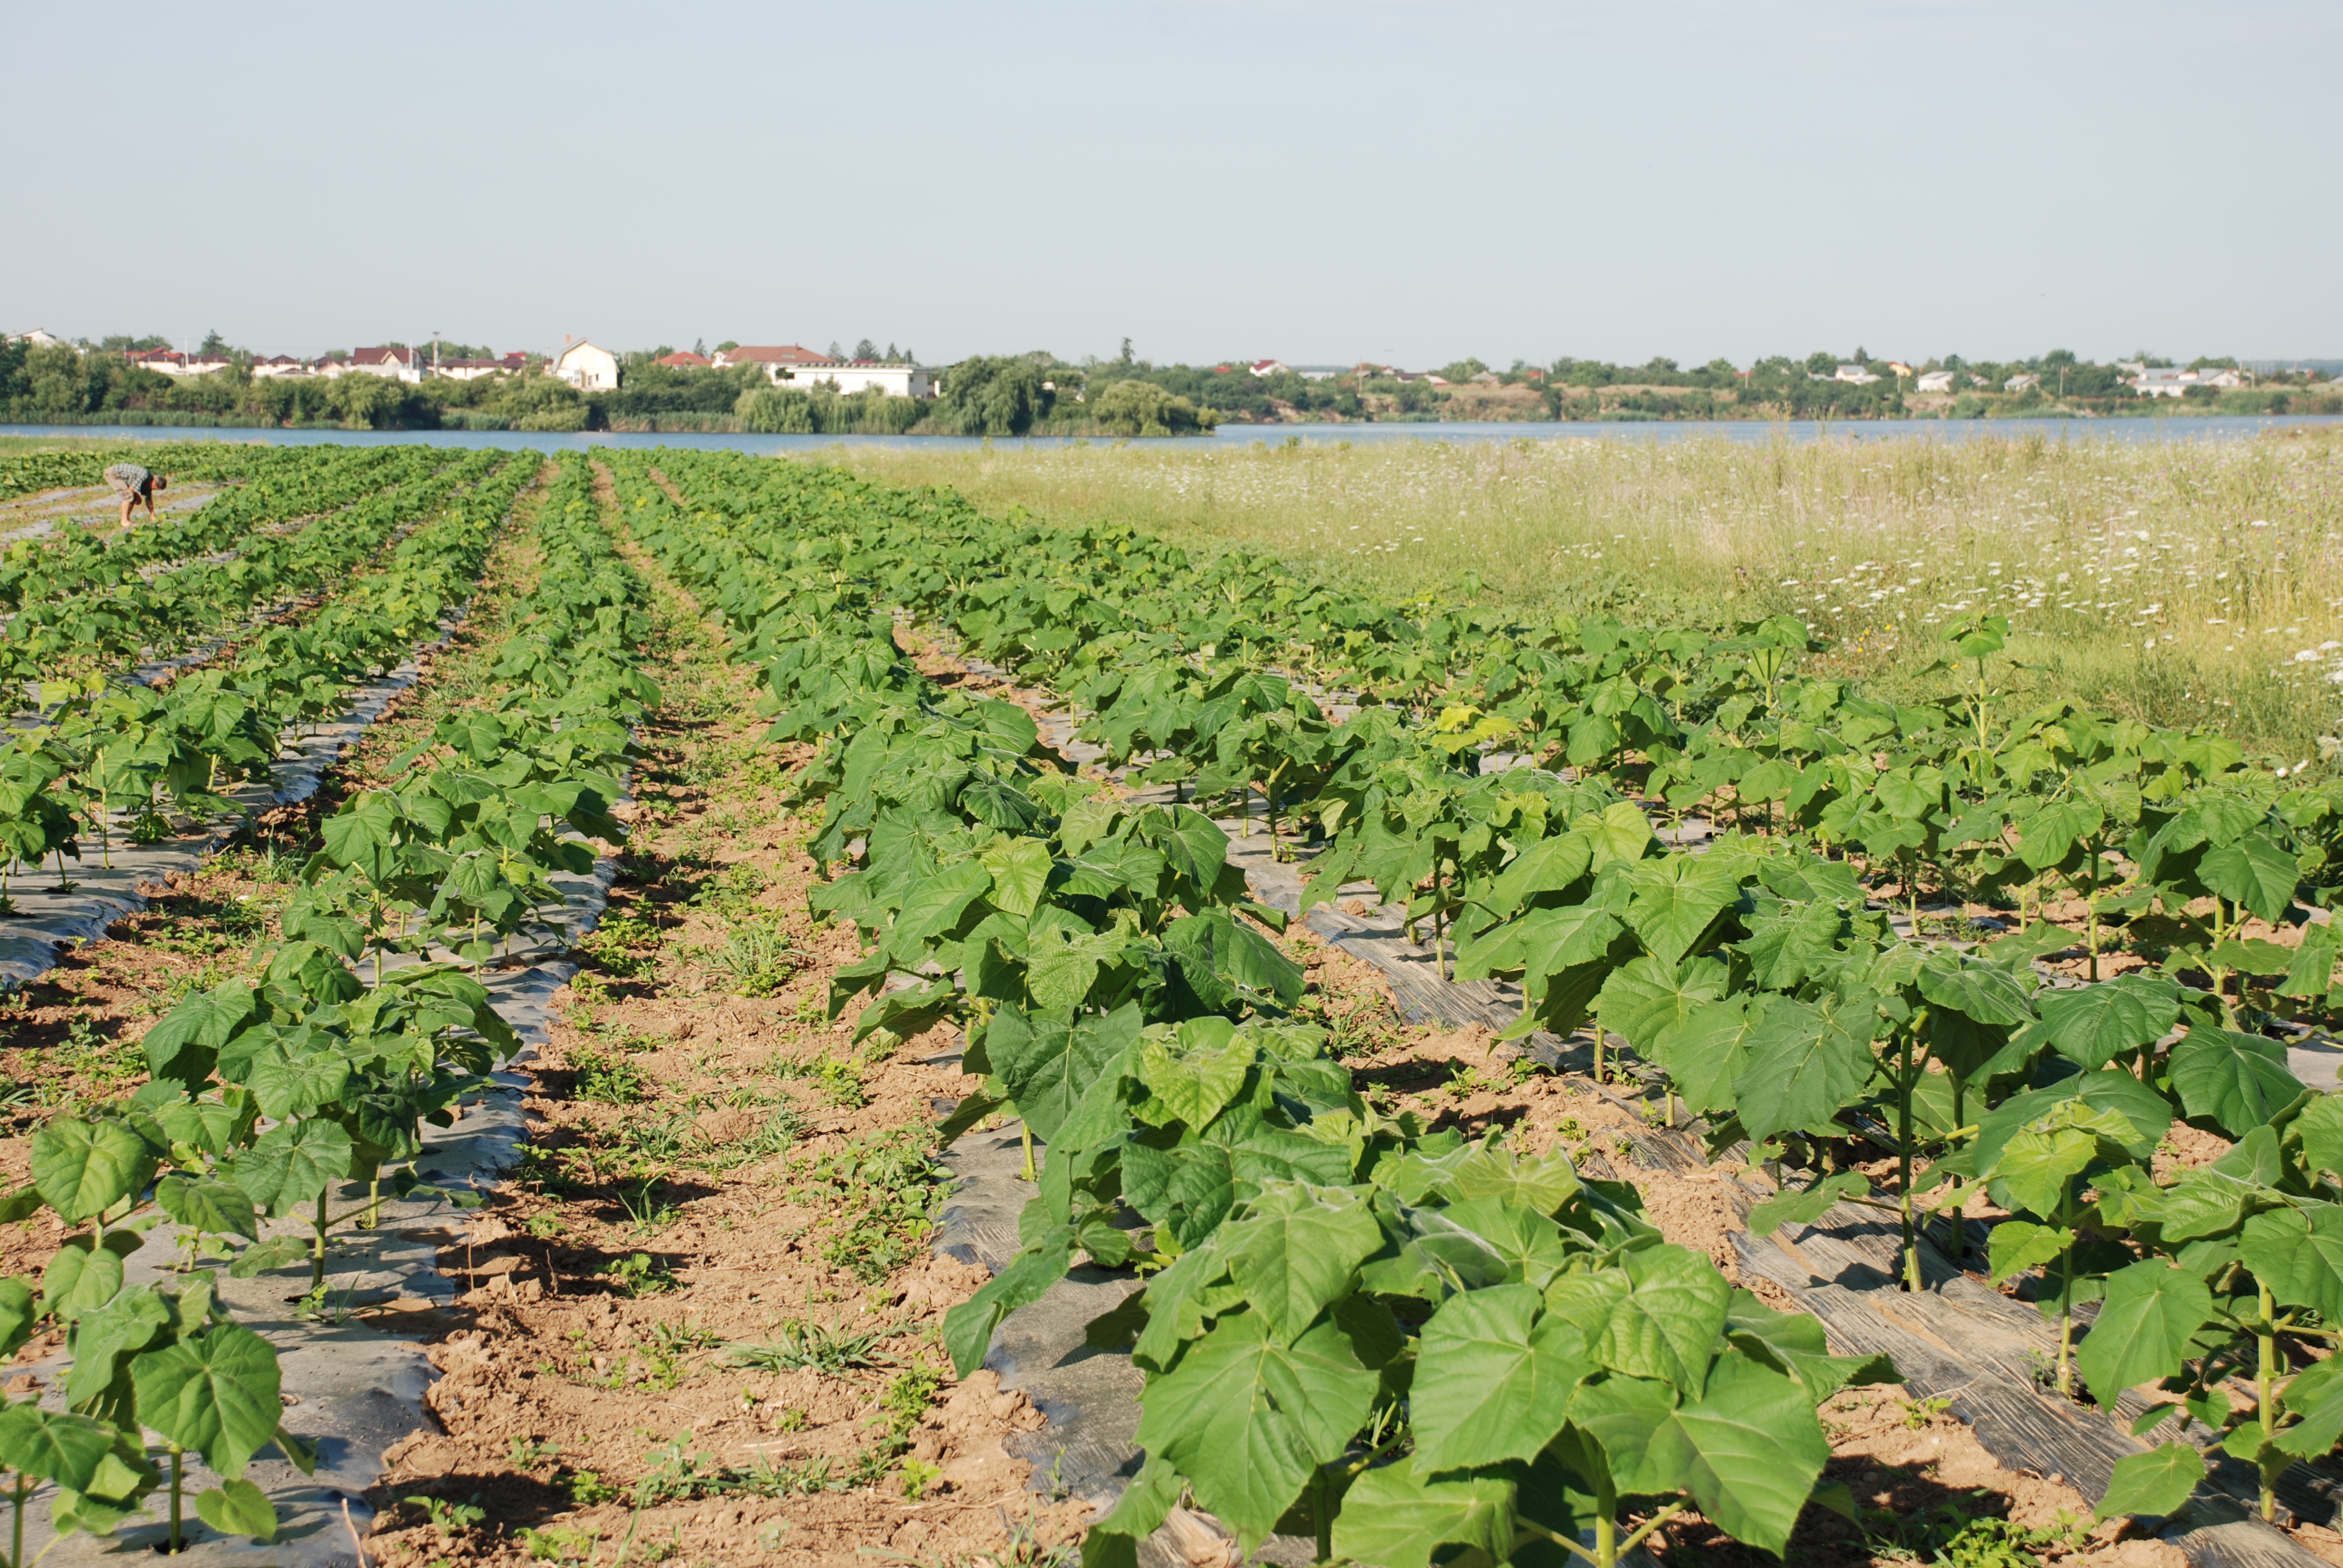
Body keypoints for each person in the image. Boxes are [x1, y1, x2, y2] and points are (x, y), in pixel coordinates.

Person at [104, 461, 167, 528]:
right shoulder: (144, 476)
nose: (153, 489)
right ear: (154, 483)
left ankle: (128, 519)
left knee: (132, 497)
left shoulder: (149, 482)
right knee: (129, 496)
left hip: (121, 476)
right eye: (154, 488)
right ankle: (124, 521)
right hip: (114, 474)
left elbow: (149, 500)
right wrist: (139, 499)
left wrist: (153, 515)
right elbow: (132, 489)